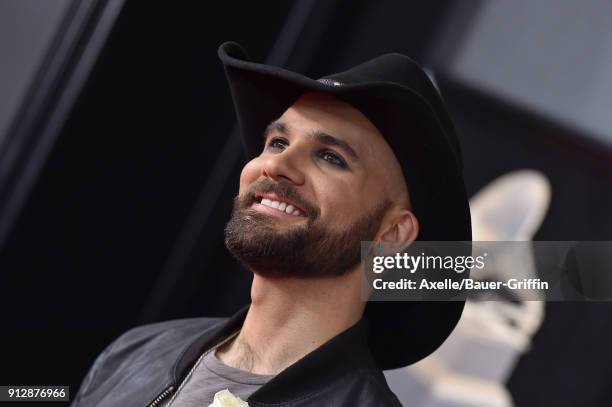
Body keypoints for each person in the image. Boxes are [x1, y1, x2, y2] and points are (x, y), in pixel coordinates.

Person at [72, 42, 472, 407]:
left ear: (391, 235)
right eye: (278, 142)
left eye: (330, 157)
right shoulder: (136, 351)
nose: (276, 165)